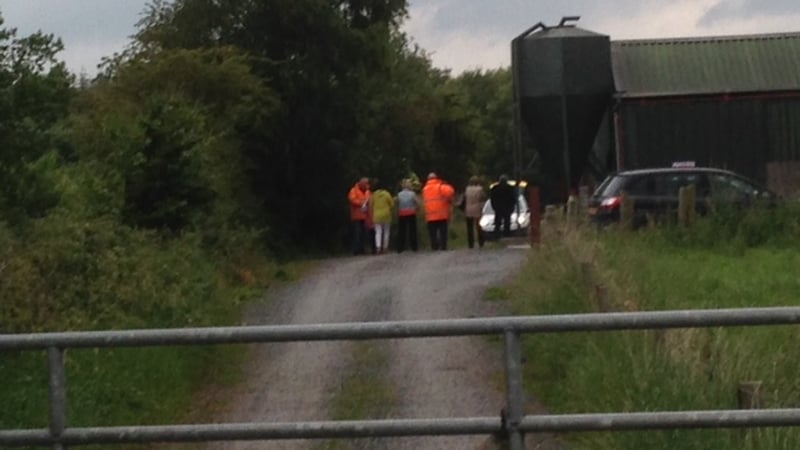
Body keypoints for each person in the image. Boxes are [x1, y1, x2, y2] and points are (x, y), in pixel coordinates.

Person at [422, 172, 455, 250]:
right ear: (436, 178)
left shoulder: (424, 189)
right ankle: (443, 247)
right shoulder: (440, 187)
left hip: (430, 215)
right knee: (443, 232)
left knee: (432, 233)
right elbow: (451, 192)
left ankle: (434, 247)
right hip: (442, 214)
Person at [347, 177, 371, 254]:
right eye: (365, 184)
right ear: (361, 183)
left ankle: (362, 249)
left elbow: (371, 199)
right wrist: (362, 203)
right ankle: (356, 250)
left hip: (365, 216)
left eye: (367, 183)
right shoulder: (354, 190)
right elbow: (352, 199)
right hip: (356, 216)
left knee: (364, 233)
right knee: (357, 233)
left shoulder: (367, 191)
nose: (367, 185)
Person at [370, 180, 394, 254]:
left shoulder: (373, 195)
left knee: (378, 232)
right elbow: (392, 204)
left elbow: (371, 205)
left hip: (377, 215)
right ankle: (385, 247)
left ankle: (378, 247)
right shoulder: (387, 194)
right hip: (386, 215)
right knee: (386, 231)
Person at [395, 179, 419, 252]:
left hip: (402, 213)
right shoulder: (412, 194)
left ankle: (400, 248)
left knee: (401, 231)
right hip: (411, 213)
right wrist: (417, 208)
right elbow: (417, 202)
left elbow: (396, 202)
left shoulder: (399, 194)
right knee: (412, 231)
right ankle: (414, 247)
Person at [464, 176, 486, 249]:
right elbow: (483, 198)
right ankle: (481, 242)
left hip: (468, 209)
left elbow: (465, 198)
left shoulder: (467, 189)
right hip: (477, 209)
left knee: (469, 227)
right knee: (479, 226)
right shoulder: (480, 189)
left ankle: (471, 243)